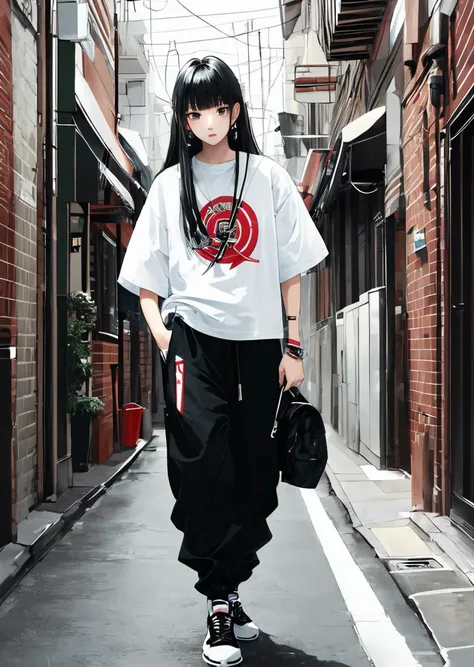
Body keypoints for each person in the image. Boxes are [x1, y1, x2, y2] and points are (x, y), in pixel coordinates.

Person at [118, 56, 328, 666]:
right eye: (194, 112)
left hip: (260, 346)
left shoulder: (265, 178)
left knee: (255, 473)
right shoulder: (168, 186)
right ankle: (217, 607)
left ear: (234, 111)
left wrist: (292, 346)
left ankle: (230, 589)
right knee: (200, 464)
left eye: (218, 109)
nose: (207, 121)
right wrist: (163, 337)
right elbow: (148, 279)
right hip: (194, 346)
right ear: (184, 119)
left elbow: (290, 270)